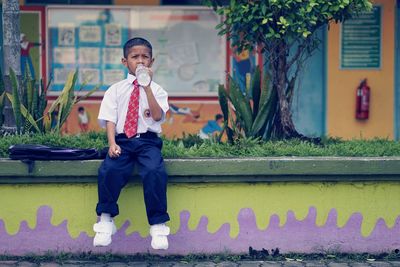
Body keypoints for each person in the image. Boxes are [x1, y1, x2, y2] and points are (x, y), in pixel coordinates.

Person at [94, 37, 170, 250]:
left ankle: (158, 225)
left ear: (151, 61)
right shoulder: (115, 90)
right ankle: (106, 219)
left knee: (154, 171)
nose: (140, 61)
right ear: (124, 61)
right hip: (123, 141)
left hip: (148, 142)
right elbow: (110, 119)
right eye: (134, 57)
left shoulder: (158, 90)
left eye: (145, 57)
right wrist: (112, 144)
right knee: (109, 170)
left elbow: (156, 116)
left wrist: (146, 88)